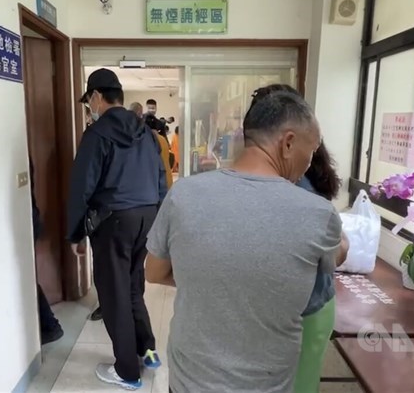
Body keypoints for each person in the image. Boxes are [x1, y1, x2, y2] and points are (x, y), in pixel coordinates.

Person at [145, 90, 343, 393]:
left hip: (189, 380)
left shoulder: (183, 194)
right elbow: (334, 260)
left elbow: (154, 272)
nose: (310, 162)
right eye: (312, 150)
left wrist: (212, 279)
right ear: (288, 143)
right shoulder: (318, 214)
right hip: (266, 385)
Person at [66, 68, 167, 390]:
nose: (89, 108)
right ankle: (147, 349)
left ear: (96, 96)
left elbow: (82, 186)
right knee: (133, 286)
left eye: (88, 101)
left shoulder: (96, 135)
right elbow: (161, 179)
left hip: (114, 221)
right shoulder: (148, 134)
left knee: (114, 296)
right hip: (147, 217)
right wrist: (160, 221)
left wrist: (75, 232)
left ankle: (127, 371)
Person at [249, 85, 349, 393]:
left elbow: (336, 252)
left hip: (305, 309)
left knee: (299, 384)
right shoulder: (287, 175)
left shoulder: (295, 185)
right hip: (293, 308)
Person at [30, 160, 64, 345]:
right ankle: (50, 325)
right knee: (28, 278)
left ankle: (50, 325)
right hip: (30, 216)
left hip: (27, 219)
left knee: (27, 279)